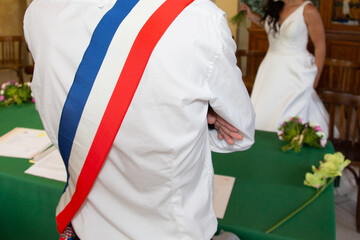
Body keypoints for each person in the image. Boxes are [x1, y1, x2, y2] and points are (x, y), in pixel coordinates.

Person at [23, 0, 255, 239]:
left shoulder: (40, 10)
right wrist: (202, 115)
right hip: (170, 230)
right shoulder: (198, 17)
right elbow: (240, 133)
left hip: (85, 224)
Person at [240, 0, 329, 135]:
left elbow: (320, 47)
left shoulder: (308, 10)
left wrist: (316, 77)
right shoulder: (276, 7)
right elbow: (270, 27)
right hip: (270, 69)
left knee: (291, 116)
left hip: (295, 72)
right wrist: (252, 16)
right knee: (263, 113)